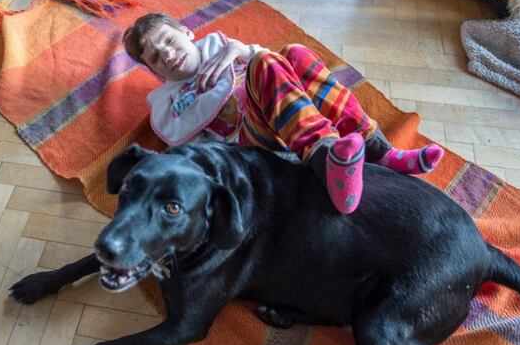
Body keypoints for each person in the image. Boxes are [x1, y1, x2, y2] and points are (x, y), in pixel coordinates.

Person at [123, 13, 443, 214]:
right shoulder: (169, 105)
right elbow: (196, 160)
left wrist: (244, 50)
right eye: (154, 57)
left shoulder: (223, 48)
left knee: (294, 54)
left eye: (168, 40)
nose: (166, 53)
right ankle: (327, 159)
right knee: (266, 62)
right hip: (249, 152)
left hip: (290, 119)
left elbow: (279, 68)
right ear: (153, 70)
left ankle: (379, 152)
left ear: (187, 32)